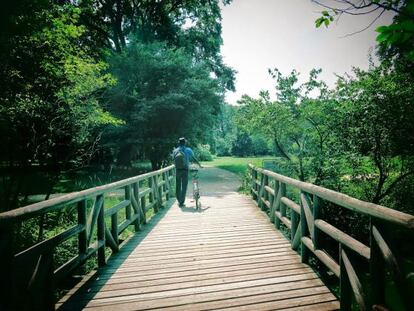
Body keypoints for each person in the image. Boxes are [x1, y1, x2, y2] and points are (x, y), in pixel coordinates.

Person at [172, 137, 202, 207]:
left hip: (178, 170)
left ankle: (179, 200)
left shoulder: (175, 151)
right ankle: (182, 201)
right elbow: (194, 158)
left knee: (178, 185)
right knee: (184, 185)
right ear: (185, 143)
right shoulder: (188, 150)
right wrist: (199, 164)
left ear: (179, 143)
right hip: (185, 170)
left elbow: (173, 160)